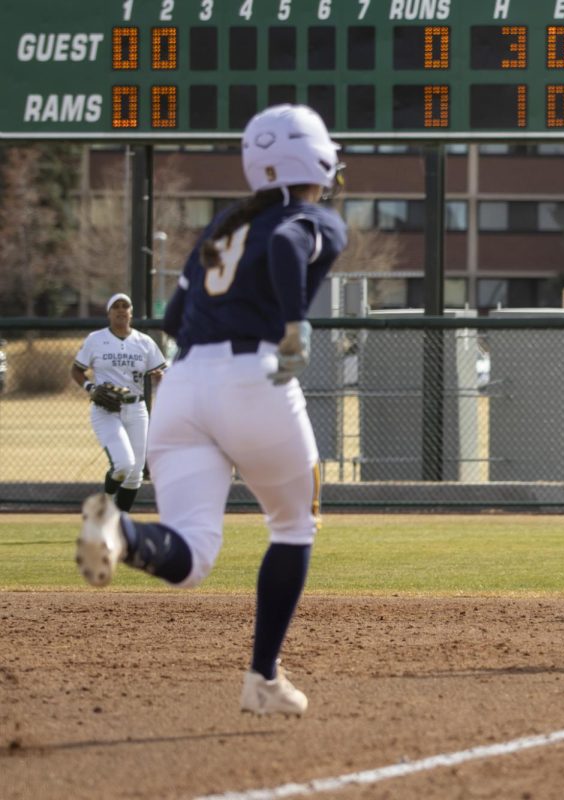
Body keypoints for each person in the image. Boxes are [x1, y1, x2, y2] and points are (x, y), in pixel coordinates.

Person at [75, 104, 348, 716]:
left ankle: (120, 531)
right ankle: (262, 677)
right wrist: (294, 330)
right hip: (254, 376)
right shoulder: (314, 218)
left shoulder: (225, 224)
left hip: (184, 382)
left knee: (191, 555)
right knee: (294, 525)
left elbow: (172, 319)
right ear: (320, 159)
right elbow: (284, 242)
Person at [70, 293, 167, 511]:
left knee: (135, 474)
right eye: (116, 306)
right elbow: (76, 370)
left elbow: (160, 372)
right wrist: (90, 388)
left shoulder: (144, 342)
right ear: (109, 312)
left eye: (126, 306)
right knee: (123, 465)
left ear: (131, 312)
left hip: (137, 409)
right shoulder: (96, 339)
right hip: (106, 409)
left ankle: (119, 521)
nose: (121, 310)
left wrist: (161, 378)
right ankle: (104, 503)